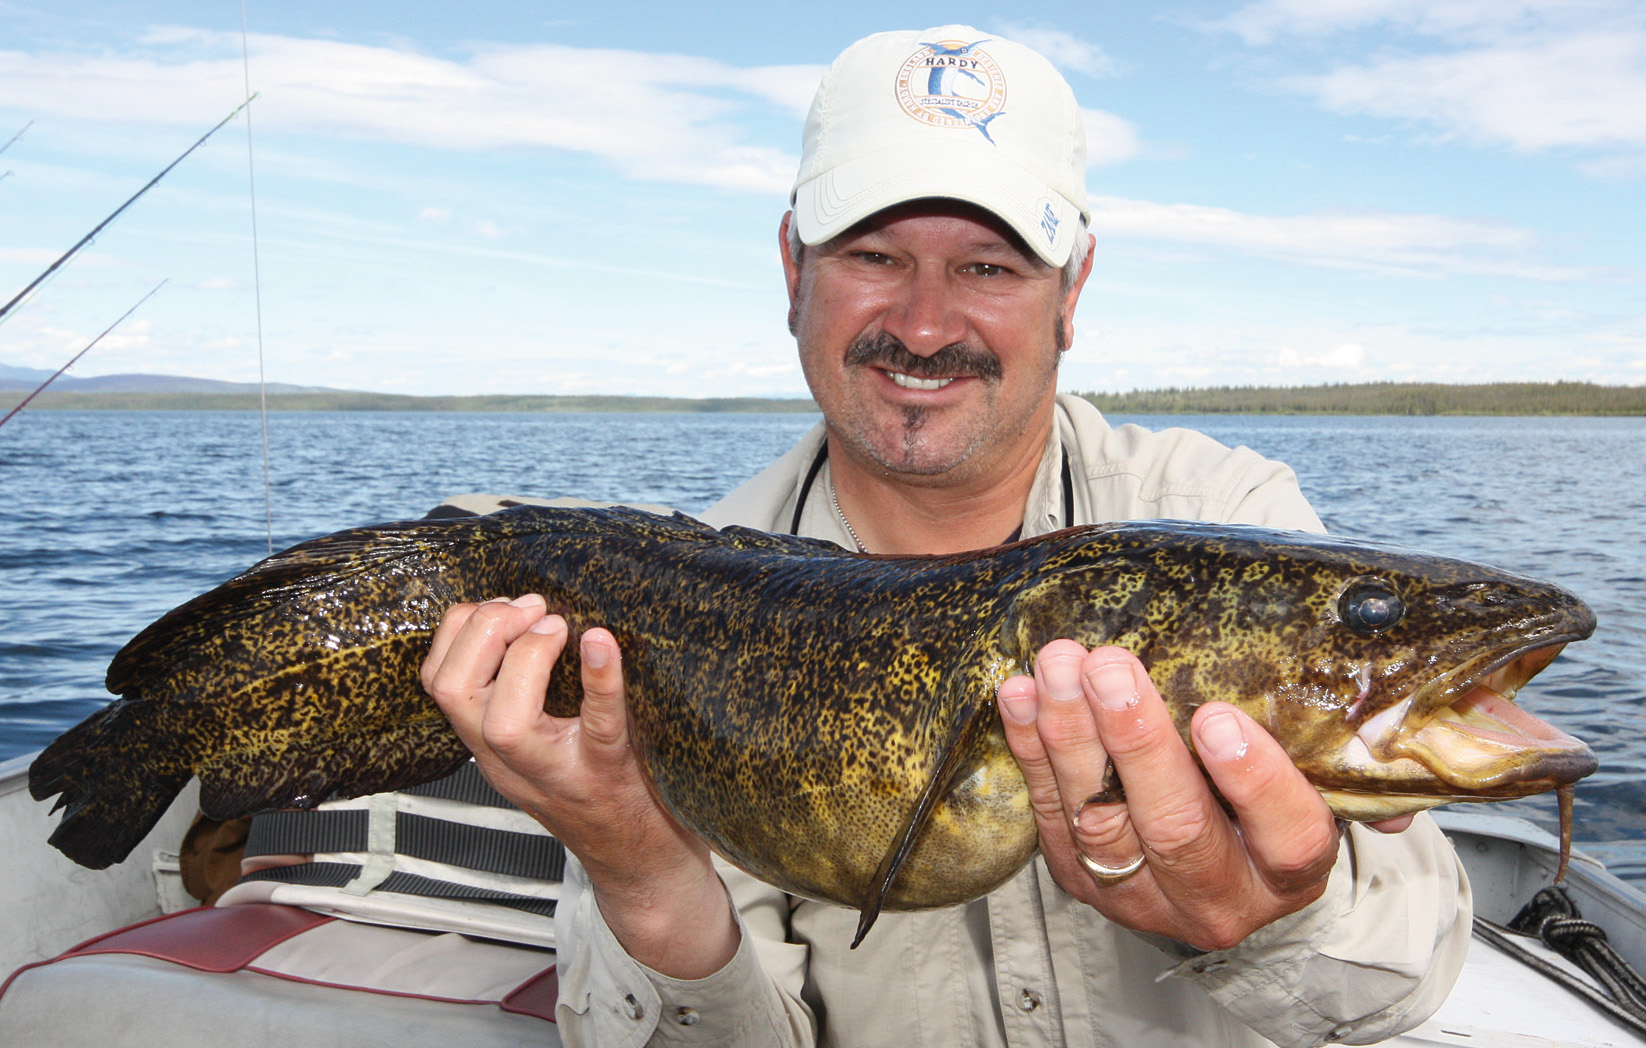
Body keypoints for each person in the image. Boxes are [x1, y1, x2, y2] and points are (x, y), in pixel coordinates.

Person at [421, 25, 1471, 1048]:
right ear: (793, 270)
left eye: (989, 268)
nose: (924, 327)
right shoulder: (676, 604)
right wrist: (645, 876)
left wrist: (1272, 916)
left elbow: (1396, 986)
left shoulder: (1231, 512)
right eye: (874, 255)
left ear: (1072, 292)